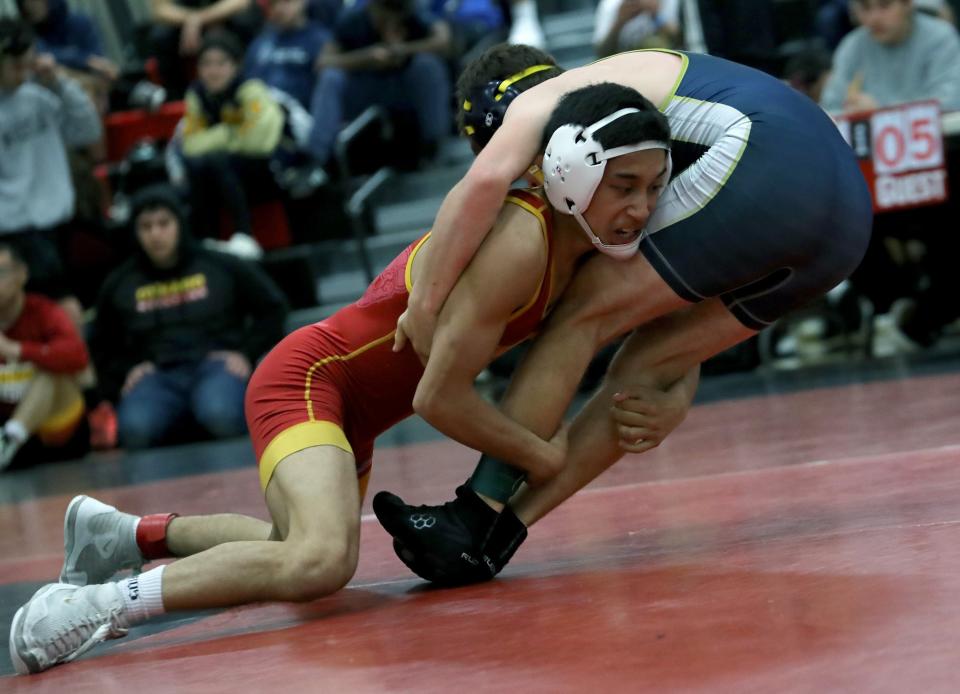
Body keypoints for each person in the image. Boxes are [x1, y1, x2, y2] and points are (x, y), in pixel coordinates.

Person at [8, 81, 680, 675]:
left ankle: (124, 535)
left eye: (654, 188)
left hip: (350, 410)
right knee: (319, 560)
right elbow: (436, 398)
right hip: (309, 378)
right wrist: (543, 452)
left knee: (294, 555)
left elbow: (680, 321)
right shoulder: (523, 239)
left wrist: (670, 404)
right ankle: (87, 607)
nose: (641, 208)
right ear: (568, 171)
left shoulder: (574, 256)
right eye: (624, 187)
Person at [373, 43, 874, 586]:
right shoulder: (641, 131)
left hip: (769, 158)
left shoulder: (545, 102)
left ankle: (474, 517)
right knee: (644, 360)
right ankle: (497, 538)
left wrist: (424, 305)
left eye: (538, 170)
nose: (537, 182)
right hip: (845, 224)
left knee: (581, 315)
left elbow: (486, 182)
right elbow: (681, 301)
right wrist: (673, 399)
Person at [88, 185, 288, 450]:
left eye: (163, 223)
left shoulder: (220, 264)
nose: (155, 234)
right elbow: (101, 341)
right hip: (158, 375)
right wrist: (127, 370)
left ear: (180, 224)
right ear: (135, 233)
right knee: (135, 430)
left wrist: (245, 352)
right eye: (146, 227)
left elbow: (274, 308)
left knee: (221, 416)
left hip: (215, 366)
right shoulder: (121, 282)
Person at [0, 17, 102, 323]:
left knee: (76, 307)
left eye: (26, 62)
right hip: (16, 229)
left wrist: (59, 82)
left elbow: (87, 131)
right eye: (13, 65)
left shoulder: (44, 92)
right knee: (60, 309)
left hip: (62, 219)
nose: (22, 71)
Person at [307, 0, 452, 172]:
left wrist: (403, 50)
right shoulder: (353, 21)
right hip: (367, 90)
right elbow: (323, 62)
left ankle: (434, 146)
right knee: (331, 78)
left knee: (427, 66)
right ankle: (315, 160)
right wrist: (366, 58)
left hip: (406, 91)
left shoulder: (415, 15)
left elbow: (444, 41)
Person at [180, 30, 289, 259]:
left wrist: (215, 138)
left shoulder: (251, 89)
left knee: (216, 159)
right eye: (206, 64)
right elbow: (189, 145)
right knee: (198, 164)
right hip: (224, 176)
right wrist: (230, 133)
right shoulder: (196, 94)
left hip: (270, 171)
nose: (213, 71)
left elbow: (260, 143)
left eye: (221, 63)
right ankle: (207, 240)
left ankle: (245, 236)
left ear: (236, 65)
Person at [0, 243, 89, 471]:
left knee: (53, 371)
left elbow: (78, 356)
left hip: (58, 429)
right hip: (10, 424)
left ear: (22, 274)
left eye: (1, 272)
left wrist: (17, 350)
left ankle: (10, 438)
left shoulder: (43, 312)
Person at [819, 0, 960, 114]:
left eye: (885, 5)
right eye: (865, 7)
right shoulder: (852, 46)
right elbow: (829, 108)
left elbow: (951, 102)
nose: (874, 18)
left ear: (908, 4)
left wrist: (881, 113)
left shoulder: (941, 38)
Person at [148, 0, 264, 100]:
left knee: (246, 19)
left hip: (224, 13)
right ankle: (177, 98)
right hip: (186, 18)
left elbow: (241, 2)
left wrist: (199, 19)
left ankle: (251, 84)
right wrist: (191, 20)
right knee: (161, 35)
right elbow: (160, 10)